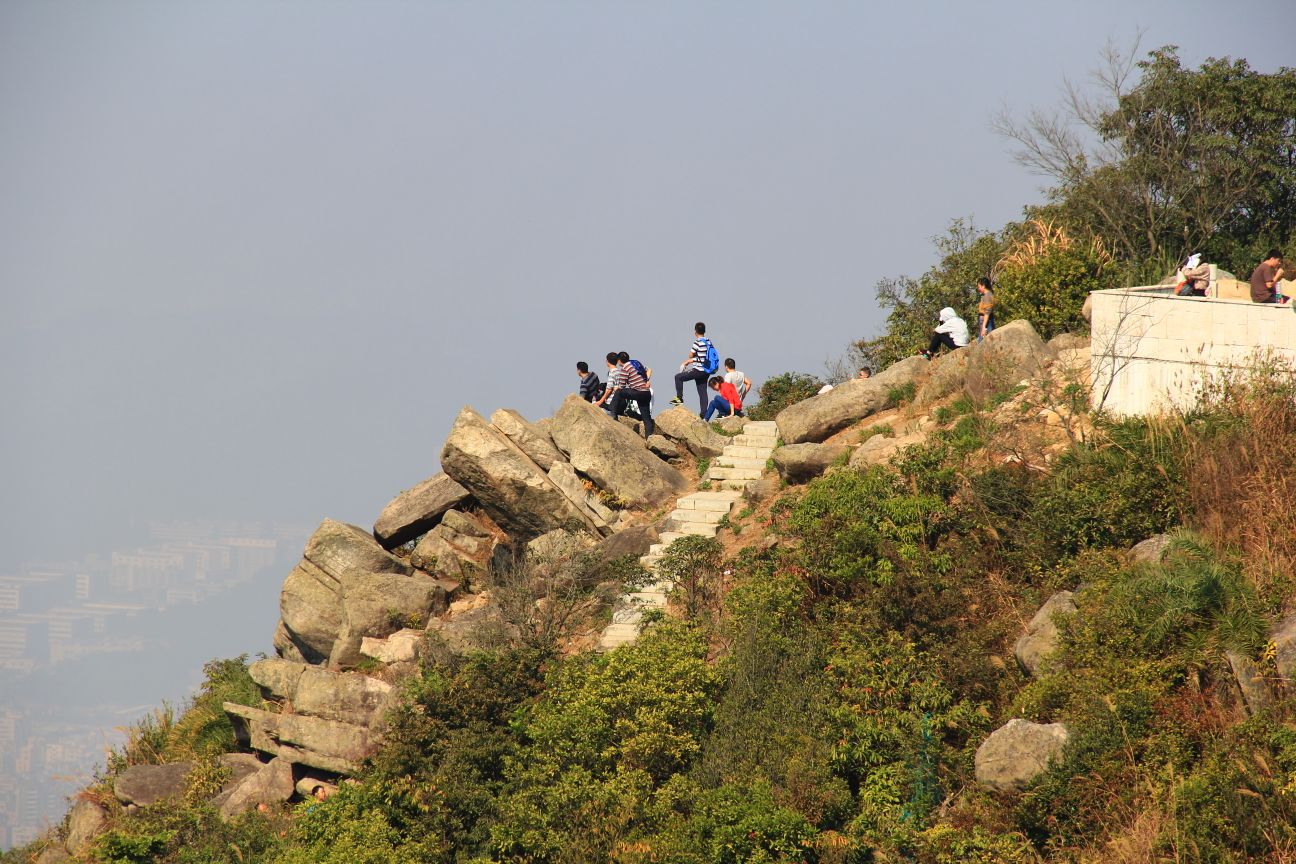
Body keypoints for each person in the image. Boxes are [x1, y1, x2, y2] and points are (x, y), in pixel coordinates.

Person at [671, 322, 718, 416]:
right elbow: (705, 356)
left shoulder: (697, 342)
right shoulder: (708, 341)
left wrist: (689, 360)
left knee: (678, 377)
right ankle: (704, 414)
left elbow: (690, 355)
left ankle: (679, 398)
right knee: (702, 391)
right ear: (704, 331)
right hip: (707, 370)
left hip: (698, 369)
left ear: (695, 332)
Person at [606, 352, 655, 436]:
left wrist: (616, 388)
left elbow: (621, 386)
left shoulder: (625, 368)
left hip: (638, 393)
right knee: (646, 419)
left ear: (619, 360)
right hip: (646, 393)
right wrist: (646, 380)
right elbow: (648, 370)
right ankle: (649, 439)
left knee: (619, 392)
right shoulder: (636, 362)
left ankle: (613, 413)